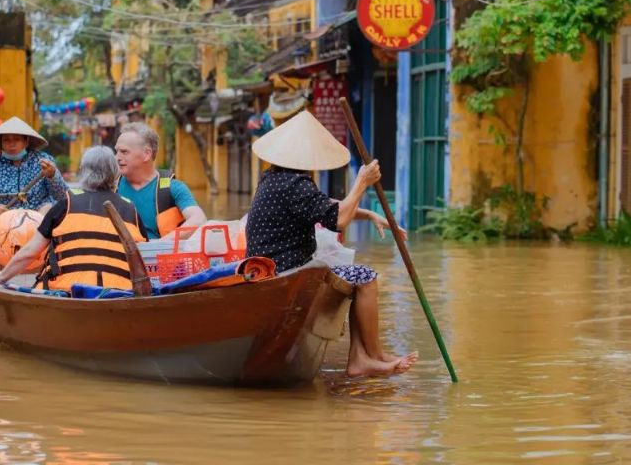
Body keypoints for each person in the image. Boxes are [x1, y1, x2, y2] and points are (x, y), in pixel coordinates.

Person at [245, 110, 418, 379]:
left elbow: (325, 208)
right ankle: (372, 356)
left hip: (273, 267)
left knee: (357, 278)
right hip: (285, 271)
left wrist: (370, 214)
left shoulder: (274, 179)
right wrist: (362, 182)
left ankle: (364, 357)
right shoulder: (295, 184)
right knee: (366, 277)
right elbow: (338, 221)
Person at [0, 146, 144, 291]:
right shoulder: (131, 209)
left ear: (83, 171)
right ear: (116, 173)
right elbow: (145, 259)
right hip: (119, 292)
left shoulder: (66, 204)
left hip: (67, 291)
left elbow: (30, 252)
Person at [0, 116, 68, 238]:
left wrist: (52, 175)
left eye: (17, 139)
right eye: (7, 140)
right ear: (1, 143)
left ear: (26, 142)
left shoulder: (43, 161)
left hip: (39, 218)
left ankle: (30, 238)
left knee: (48, 208)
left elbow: (63, 196)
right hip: (6, 221)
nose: (12, 144)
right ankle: (16, 240)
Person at [114, 122, 206, 239]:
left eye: (124, 152)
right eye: (116, 151)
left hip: (157, 254)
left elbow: (199, 219)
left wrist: (162, 243)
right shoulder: (111, 186)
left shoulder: (173, 188)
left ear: (146, 154)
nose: (117, 157)